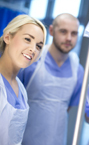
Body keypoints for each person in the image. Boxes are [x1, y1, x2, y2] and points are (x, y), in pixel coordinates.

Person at [18, 13, 84, 145]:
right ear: (52, 31)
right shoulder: (32, 61)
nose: (69, 38)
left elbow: (66, 108)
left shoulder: (78, 70)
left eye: (74, 33)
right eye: (63, 32)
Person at [0, 14, 46, 145]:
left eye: (39, 46)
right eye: (27, 39)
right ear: (8, 37)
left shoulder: (21, 90)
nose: (33, 49)